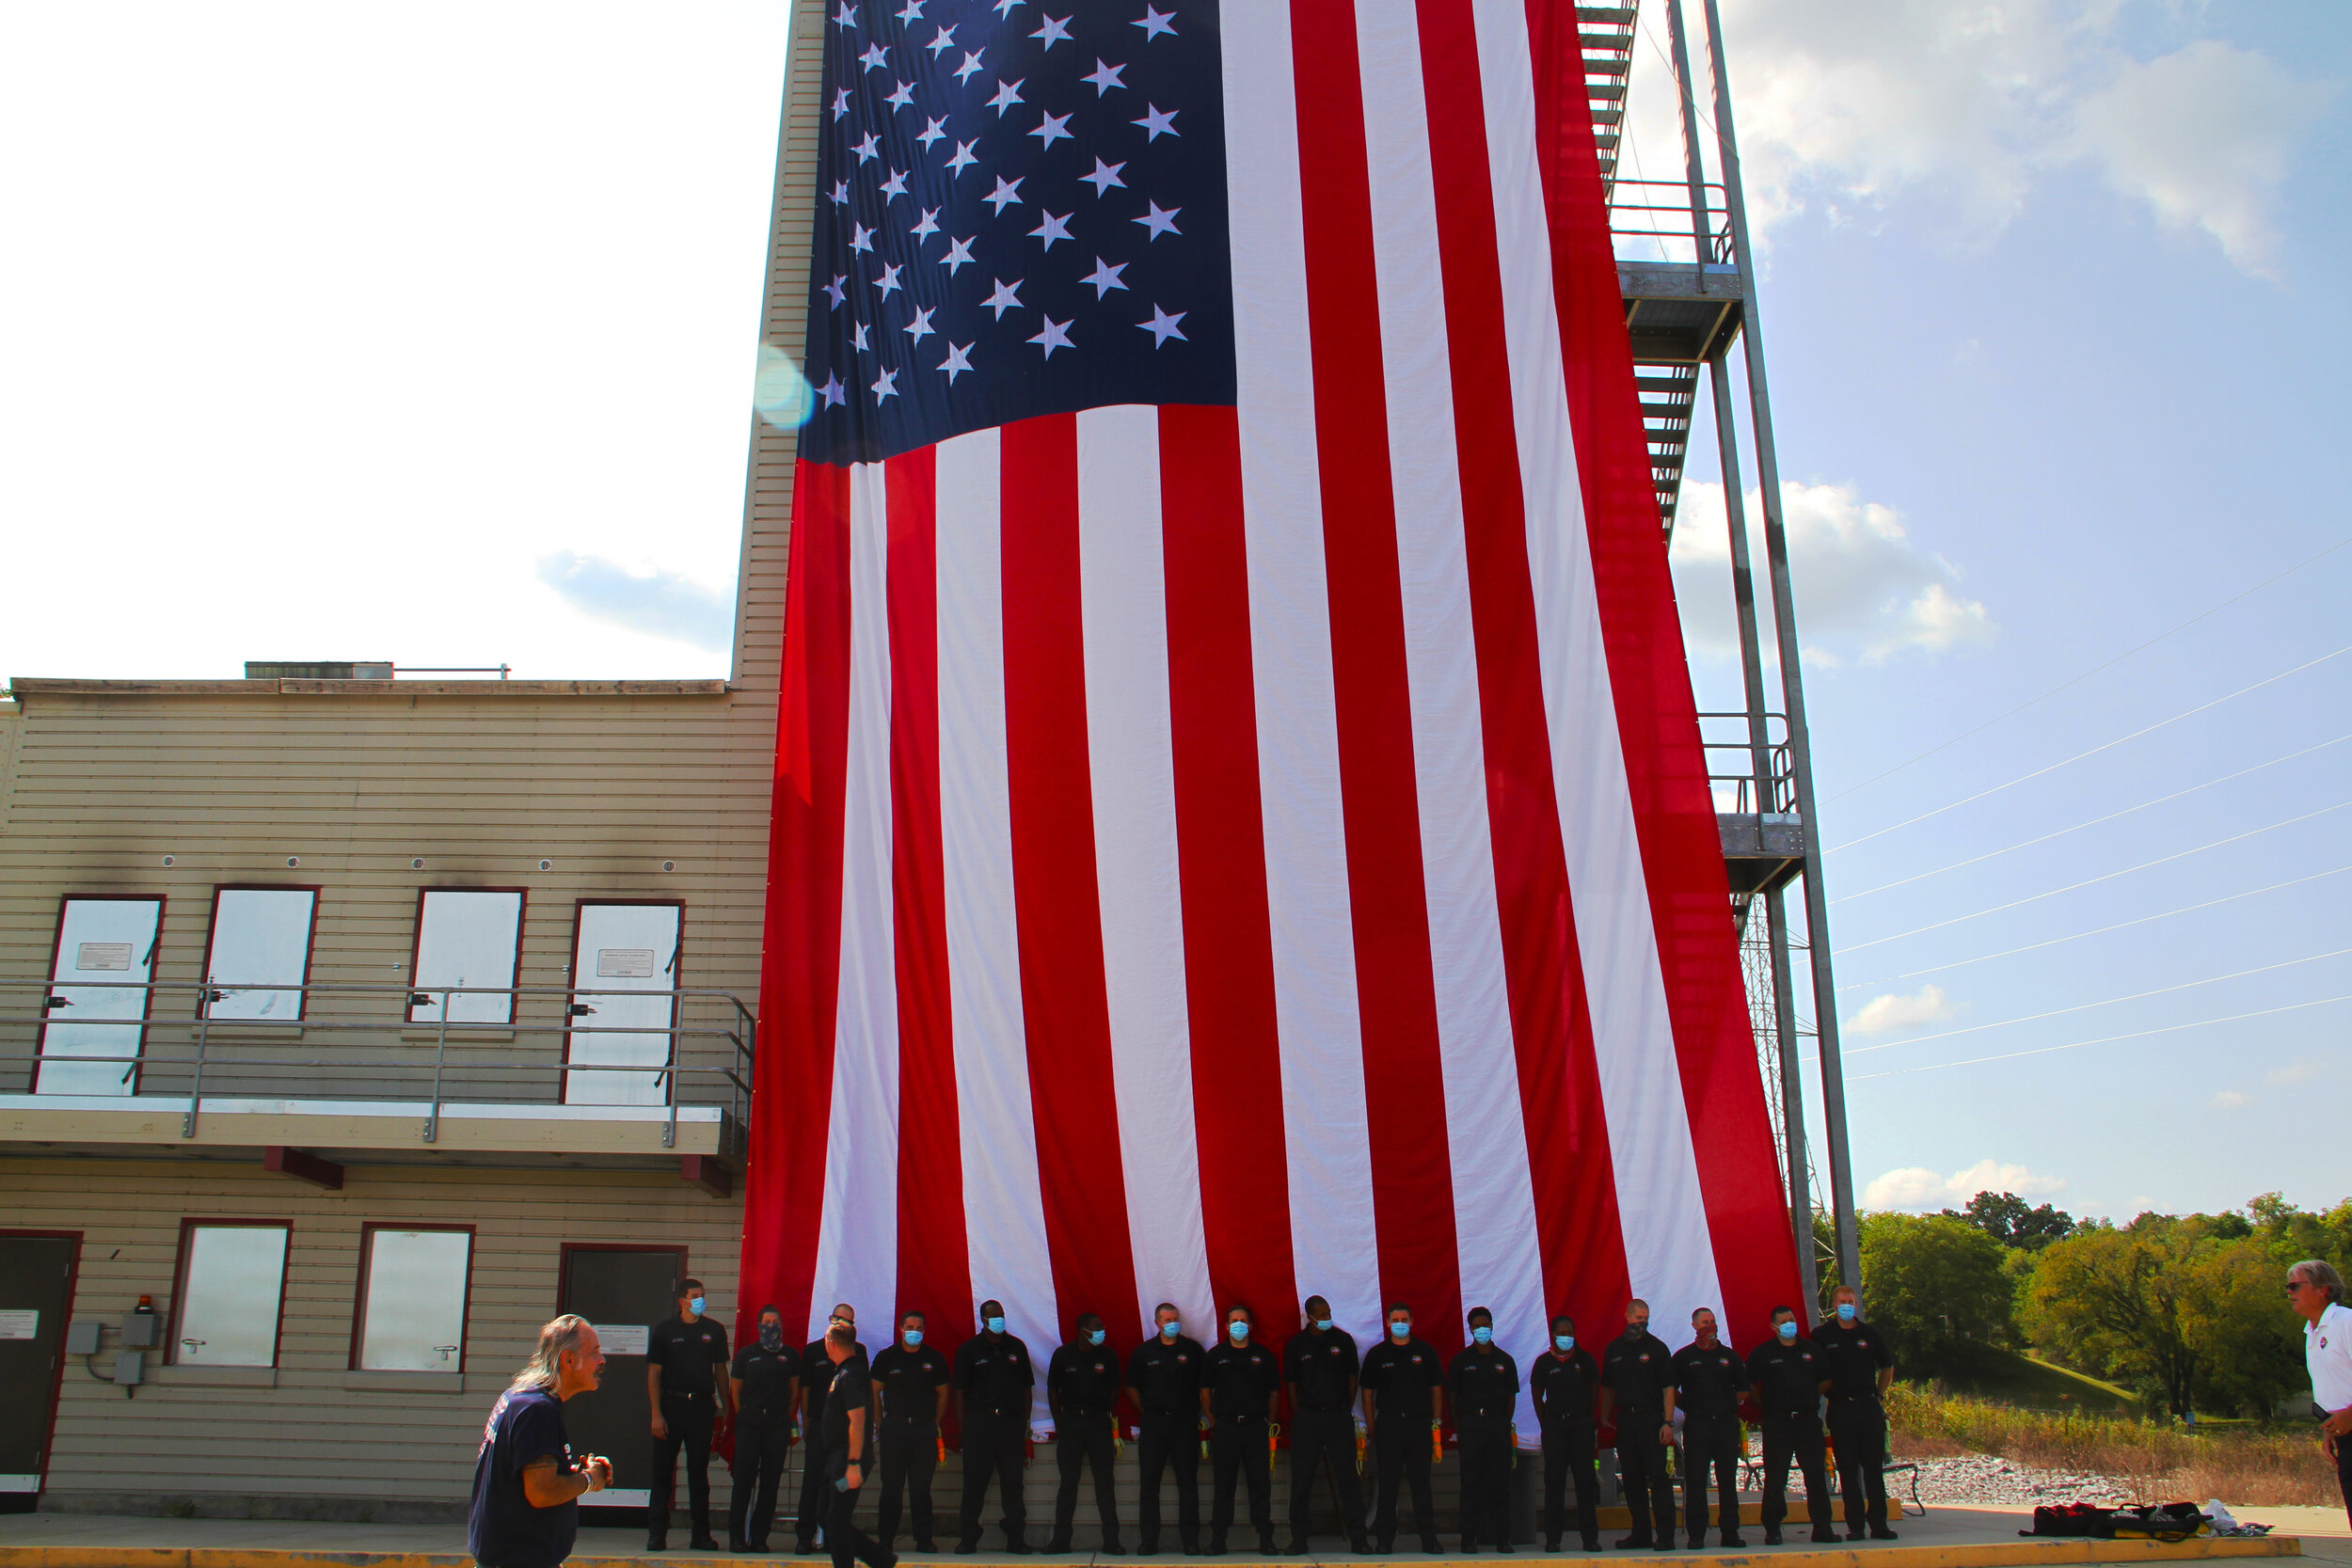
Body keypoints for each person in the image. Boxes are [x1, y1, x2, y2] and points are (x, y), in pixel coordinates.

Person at [469, 1315, 613, 1568]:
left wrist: (573, 1474)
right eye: (595, 1353)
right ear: (569, 1360)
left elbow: (520, 1476)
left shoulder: (519, 1398)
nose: (602, 1361)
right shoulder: (537, 1410)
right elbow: (541, 1491)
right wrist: (590, 1480)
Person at [647, 1277, 734, 1552]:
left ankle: (701, 1535)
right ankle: (657, 1534)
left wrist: (725, 1405)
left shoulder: (715, 1330)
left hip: (701, 1408)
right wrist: (656, 1414)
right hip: (671, 1406)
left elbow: (721, 1370)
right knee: (662, 1473)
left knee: (698, 1473)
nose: (700, 1300)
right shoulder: (665, 1330)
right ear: (683, 1301)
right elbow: (654, 1373)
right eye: (695, 1295)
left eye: (702, 1295)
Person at [1281, 1294, 1370, 1556]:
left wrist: (1344, 1407)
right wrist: (1301, 1414)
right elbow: (1291, 1385)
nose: (1326, 1318)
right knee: (1302, 1481)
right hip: (1308, 1418)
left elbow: (1352, 1378)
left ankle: (1359, 1539)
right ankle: (1298, 1539)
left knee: (1348, 1479)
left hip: (1337, 1416)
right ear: (1309, 1317)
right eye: (1321, 1315)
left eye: (1328, 1312)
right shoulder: (1297, 1345)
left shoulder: (1342, 1341)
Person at [1359, 1302, 1444, 1556]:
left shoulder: (1425, 1352)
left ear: (1412, 1322)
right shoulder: (1377, 1354)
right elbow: (1367, 1392)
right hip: (1389, 1425)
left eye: (1404, 1319)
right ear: (1387, 1323)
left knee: (1421, 1485)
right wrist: (1372, 1426)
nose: (1399, 1324)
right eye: (1395, 1320)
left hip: (1419, 1425)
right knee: (1388, 1485)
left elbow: (1436, 1388)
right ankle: (1385, 1540)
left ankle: (1429, 1540)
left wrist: (1437, 1422)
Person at [1746, 1305, 1836, 1546]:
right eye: (1784, 1321)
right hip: (1778, 1423)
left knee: (1816, 1475)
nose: (1790, 1324)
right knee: (1776, 1477)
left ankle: (1822, 1527)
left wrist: (1808, 1397)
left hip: (1807, 1421)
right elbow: (1750, 1384)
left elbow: (1826, 1379)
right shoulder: (1763, 1353)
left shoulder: (1811, 1350)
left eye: (1792, 1319)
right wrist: (1765, 1405)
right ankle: (1773, 1528)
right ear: (1774, 1326)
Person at [1814, 1285, 1897, 1542]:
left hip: (1868, 1406)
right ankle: (1856, 1526)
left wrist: (1880, 1394)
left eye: (1850, 1301)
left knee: (1873, 1468)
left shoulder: (1869, 1333)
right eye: (1841, 1301)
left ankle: (1879, 1524)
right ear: (1834, 1304)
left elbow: (1887, 1366)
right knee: (1847, 1470)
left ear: (1856, 1304)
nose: (1846, 1304)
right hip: (1840, 1408)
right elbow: (1813, 1370)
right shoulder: (1821, 1335)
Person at [954, 1298, 1035, 1554]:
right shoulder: (969, 1350)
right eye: (993, 1315)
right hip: (980, 1422)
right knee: (974, 1483)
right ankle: (968, 1538)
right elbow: (959, 1392)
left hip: (1011, 1423)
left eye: (1001, 1314)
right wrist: (964, 1428)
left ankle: (1016, 1538)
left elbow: (1026, 1388)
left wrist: (1025, 1422)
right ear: (983, 1319)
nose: (999, 1319)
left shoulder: (1017, 1347)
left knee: (1013, 1483)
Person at [1126, 1302, 1204, 1557]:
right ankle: (1149, 1541)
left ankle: (1191, 1541)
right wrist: (1147, 1410)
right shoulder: (1144, 1352)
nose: (1171, 1323)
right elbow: (1132, 1387)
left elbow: (1204, 1386)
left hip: (1185, 1424)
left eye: (1174, 1319)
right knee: (1150, 1483)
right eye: (1166, 1320)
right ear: (1157, 1322)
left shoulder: (1192, 1351)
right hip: (1154, 1424)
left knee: (1188, 1483)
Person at [1200, 1303, 1279, 1556]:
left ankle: (1266, 1538)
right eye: (1234, 1321)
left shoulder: (1263, 1356)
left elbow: (1274, 1393)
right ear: (1225, 1326)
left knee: (1260, 1484)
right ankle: (1218, 1539)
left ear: (1251, 1326)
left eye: (1243, 1321)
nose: (1239, 1325)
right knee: (1224, 1485)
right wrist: (1214, 1422)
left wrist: (1269, 1423)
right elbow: (1204, 1392)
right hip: (1225, 1428)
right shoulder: (1215, 1355)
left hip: (1256, 1427)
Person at [1597, 1299, 1675, 1551]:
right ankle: (1640, 1533)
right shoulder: (1614, 1349)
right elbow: (1607, 1386)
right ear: (1627, 1317)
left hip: (1652, 1420)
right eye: (1638, 1318)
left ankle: (1666, 1535)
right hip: (1626, 1421)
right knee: (1632, 1480)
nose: (1642, 1322)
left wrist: (1668, 1422)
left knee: (1659, 1479)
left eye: (1645, 1318)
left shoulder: (1658, 1348)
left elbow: (1668, 1388)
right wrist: (1605, 1416)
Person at [869, 1309, 950, 1553]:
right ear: (901, 1329)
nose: (913, 1332)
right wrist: (880, 1424)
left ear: (923, 1331)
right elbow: (873, 1391)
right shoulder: (887, 1357)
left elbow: (944, 1393)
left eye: (918, 1328)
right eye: (909, 1327)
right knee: (891, 1488)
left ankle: (924, 1540)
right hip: (894, 1428)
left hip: (924, 1429)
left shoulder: (934, 1358)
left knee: (921, 1488)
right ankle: (885, 1540)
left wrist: (933, 1423)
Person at [1046, 1310, 1126, 1554]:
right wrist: (1060, 1423)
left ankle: (1112, 1541)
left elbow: (1115, 1388)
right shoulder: (1063, 1355)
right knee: (1068, 1484)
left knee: (1105, 1483)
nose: (1102, 1330)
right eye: (1097, 1327)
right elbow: (1053, 1390)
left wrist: (1103, 1411)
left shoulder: (1108, 1356)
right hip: (1071, 1423)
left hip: (1098, 1425)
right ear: (1083, 1331)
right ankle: (1060, 1541)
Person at [819, 1320, 897, 1568]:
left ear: (831, 1343)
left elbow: (858, 1418)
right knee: (825, 1514)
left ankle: (872, 1561)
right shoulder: (842, 1372)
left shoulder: (851, 1374)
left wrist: (853, 1463)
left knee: (836, 1518)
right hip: (837, 1461)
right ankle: (881, 1559)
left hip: (849, 1461)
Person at [1669, 1308, 1748, 1550]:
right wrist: (1692, 1407)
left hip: (1725, 1424)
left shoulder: (1730, 1357)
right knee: (1695, 1482)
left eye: (1712, 1322)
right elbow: (1672, 1390)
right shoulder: (1683, 1358)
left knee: (1726, 1480)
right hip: (1698, 1425)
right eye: (1705, 1322)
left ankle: (1730, 1532)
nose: (1709, 1326)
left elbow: (1743, 1389)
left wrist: (1724, 1404)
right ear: (1694, 1326)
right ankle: (1696, 1535)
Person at [1447, 1307, 1521, 1554]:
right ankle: (1468, 1539)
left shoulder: (1505, 1360)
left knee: (1500, 1484)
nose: (1482, 1329)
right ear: (1470, 1329)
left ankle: (1503, 1538)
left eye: (1485, 1325)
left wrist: (1500, 1422)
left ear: (1492, 1326)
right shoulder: (1461, 1361)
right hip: (1470, 1427)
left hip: (1497, 1427)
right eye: (1477, 1326)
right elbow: (1453, 1398)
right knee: (1470, 1485)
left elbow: (1511, 1397)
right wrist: (1463, 1425)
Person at [729, 1304, 800, 1553]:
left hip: (778, 1424)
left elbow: (794, 1392)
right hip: (750, 1422)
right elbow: (735, 1391)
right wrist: (748, 1414)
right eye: (767, 1322)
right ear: (759, 1324)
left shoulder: (790, 1355)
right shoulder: (746, 1355)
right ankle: (737, 1537)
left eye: (775, 1322)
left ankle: (760, 1538)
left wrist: (785, 1417)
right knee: (743, 1482)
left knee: (770, 1484)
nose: (771, 1326)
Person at [797, 1305, 867, 1554]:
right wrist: (805, 1421)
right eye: (837, 1319)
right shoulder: (814, 1350)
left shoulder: (858, 1353)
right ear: (830, 1319)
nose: (841, 1324)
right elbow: (804, 1388)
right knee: (812, 1481)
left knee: (837, 1487)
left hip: (844, 1434)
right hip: (818, 1428)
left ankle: (832, 1537)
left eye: (847, 1321)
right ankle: (805, 1536)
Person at [2288, 1259, 2352, 1528]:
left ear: (2322, 1289)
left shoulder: (2345, 1322)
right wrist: (2329, 1429)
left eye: (2295, 1285)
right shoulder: (2311, 1333)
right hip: (2344, 1435)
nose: (2289, 1293)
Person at [1530, 1314, 1601, 1553]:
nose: (1566, 1337)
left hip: (1581, 1427)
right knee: (1554, 1484)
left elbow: (1594, 1393)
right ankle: (1553, 1539)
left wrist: (1587, 1420)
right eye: (1562, 1333)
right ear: (1553, 1334)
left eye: (1570, 1332)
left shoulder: (1585, 1360)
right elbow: (1537, 1395)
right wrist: (1546, 1423)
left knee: (1585, 1483)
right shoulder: (1543, 1363)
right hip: (1555, 1429)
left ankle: (1590, 1538)